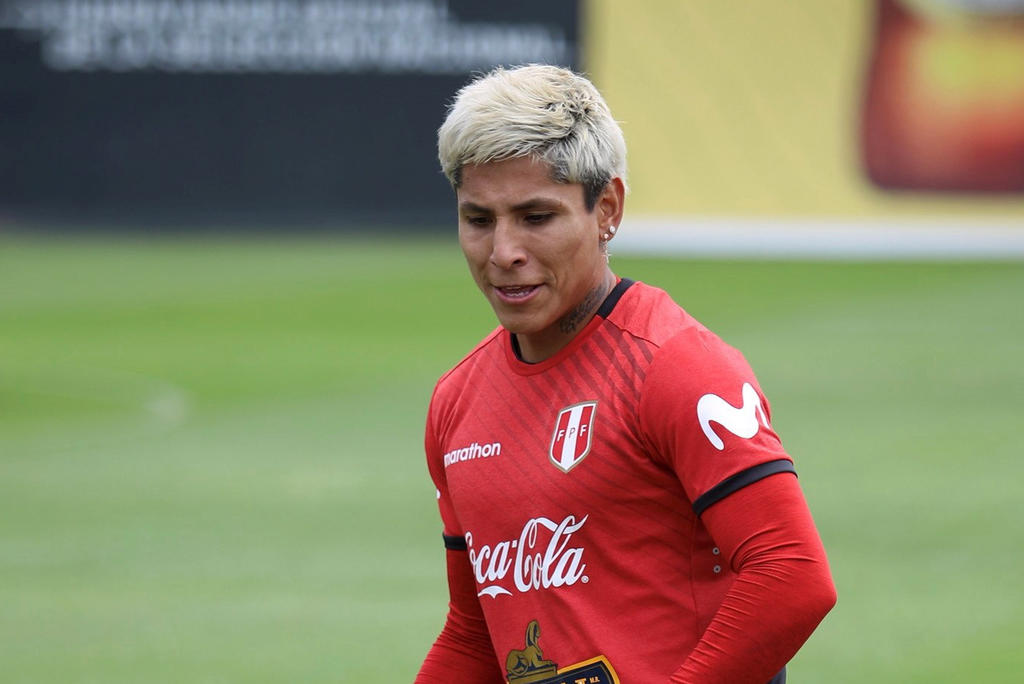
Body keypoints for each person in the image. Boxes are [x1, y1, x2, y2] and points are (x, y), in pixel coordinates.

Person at [415, 64, 836, 684]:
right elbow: (474, 632)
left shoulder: (676, 365)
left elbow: (791, 575)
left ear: (606, 208)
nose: (503, 252)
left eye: (536, 217)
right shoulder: (457, 402)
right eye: (479, 220)